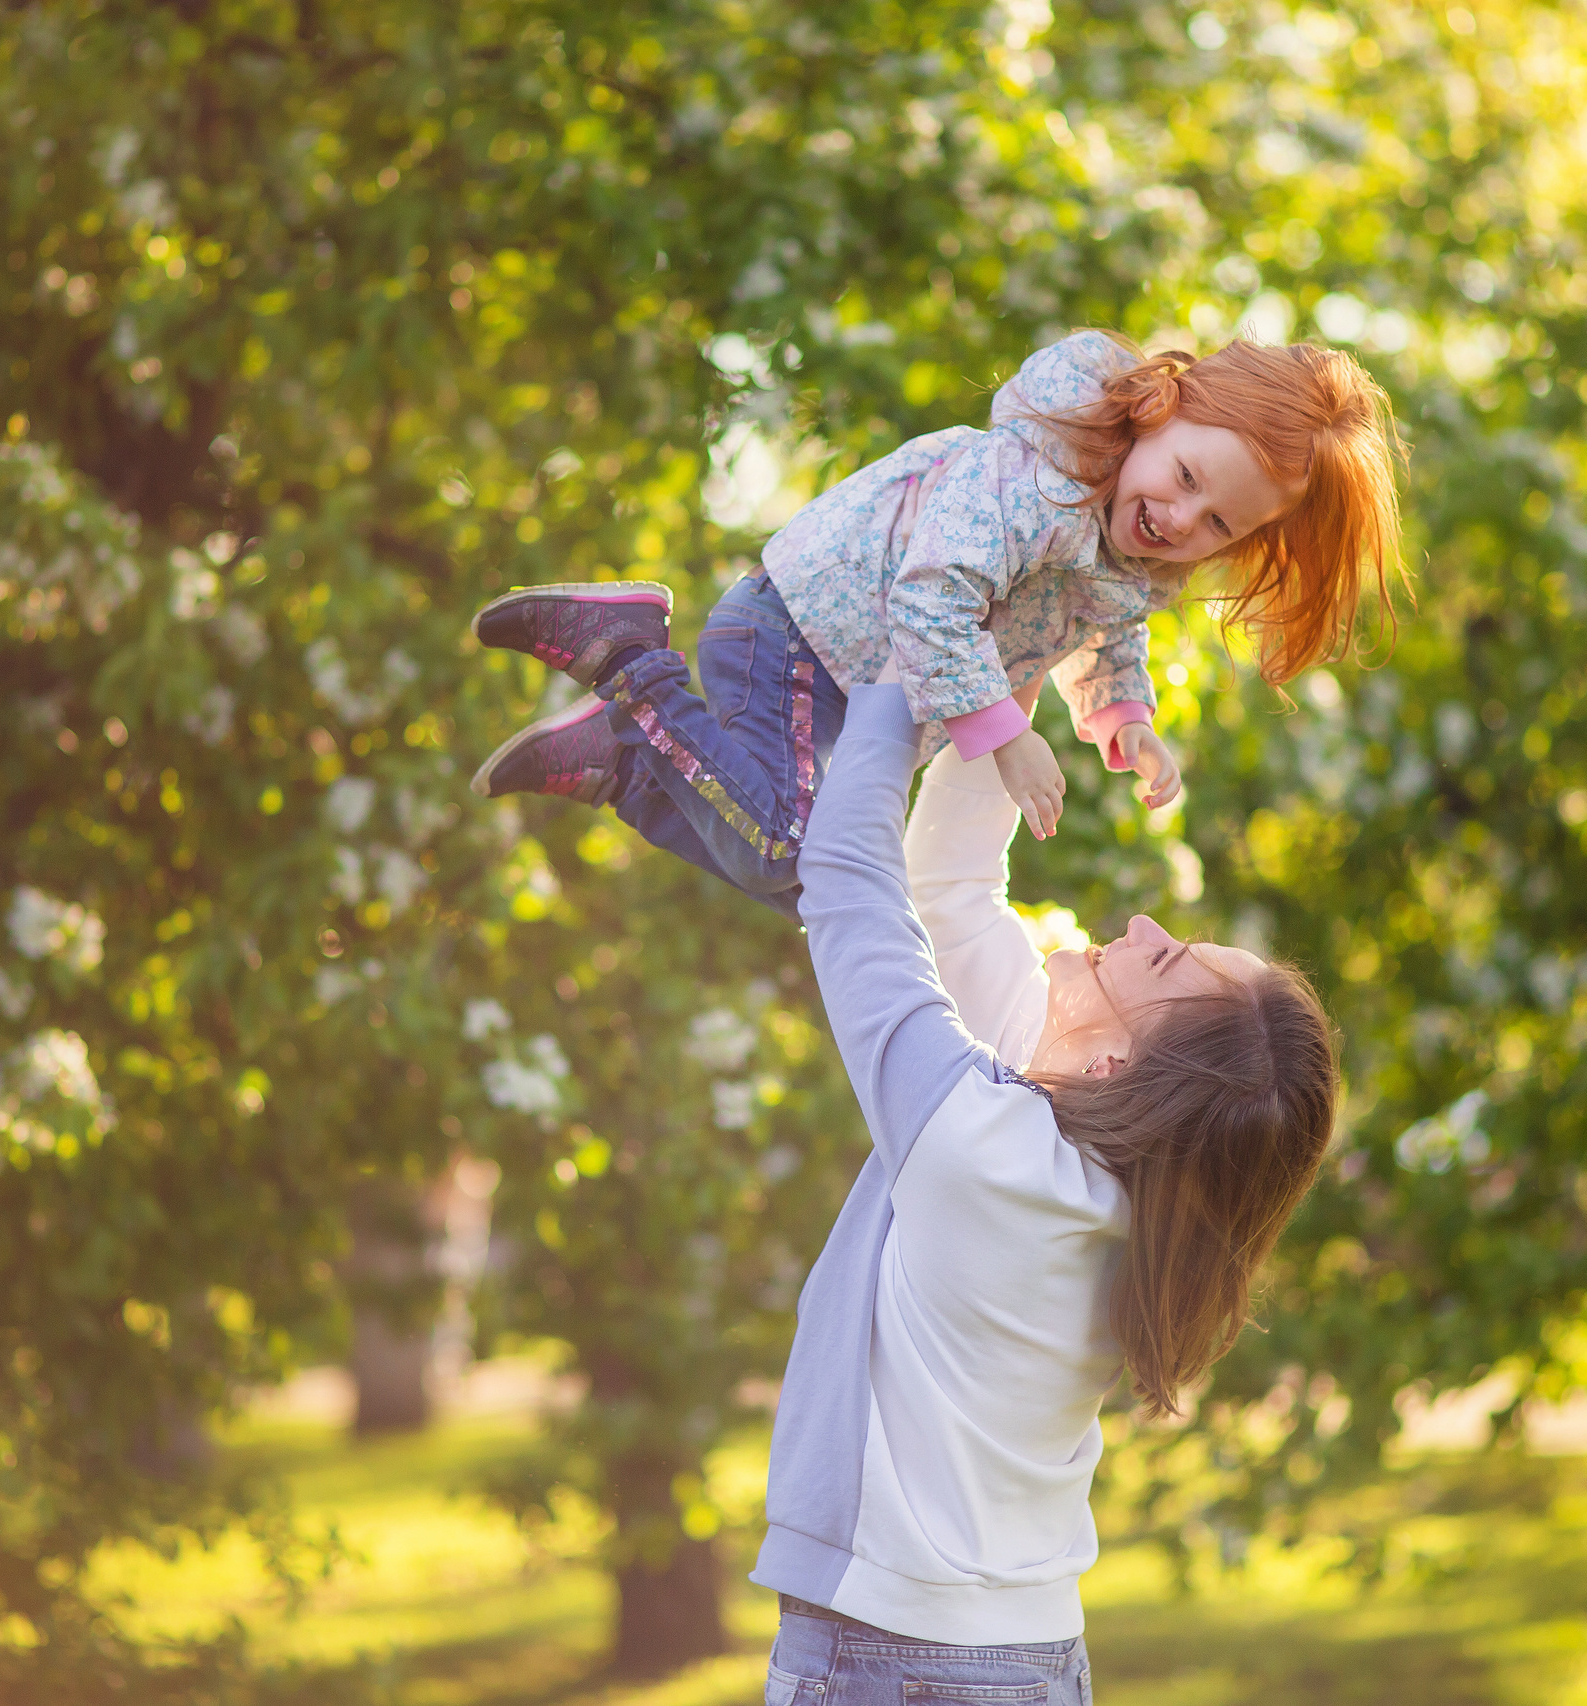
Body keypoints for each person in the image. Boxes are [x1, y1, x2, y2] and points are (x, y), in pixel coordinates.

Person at [748, 672, 1339, 1703]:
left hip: (899, 1658)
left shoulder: (992, 1152)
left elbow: (851, 879)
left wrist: (899, 675)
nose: (1147, 923)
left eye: (1164, 963)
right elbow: (950, 891)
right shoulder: (1088, 1162)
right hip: (1010, 1653)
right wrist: (998, 673)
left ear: (1123, 1065)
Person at [466, 328, 1404, 916]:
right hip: (797, 636)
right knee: (792, 849)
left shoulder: (1140, 563)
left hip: (862, 691)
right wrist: (1005, 738)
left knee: (803, 874)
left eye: (1219, 525)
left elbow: (1107, 629)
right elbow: (929, 596)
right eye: (1188, 479)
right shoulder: (1029, 483)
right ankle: (632, 666)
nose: (1180, 521)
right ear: (1159, 411)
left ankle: (629, 761)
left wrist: (1126, 720)